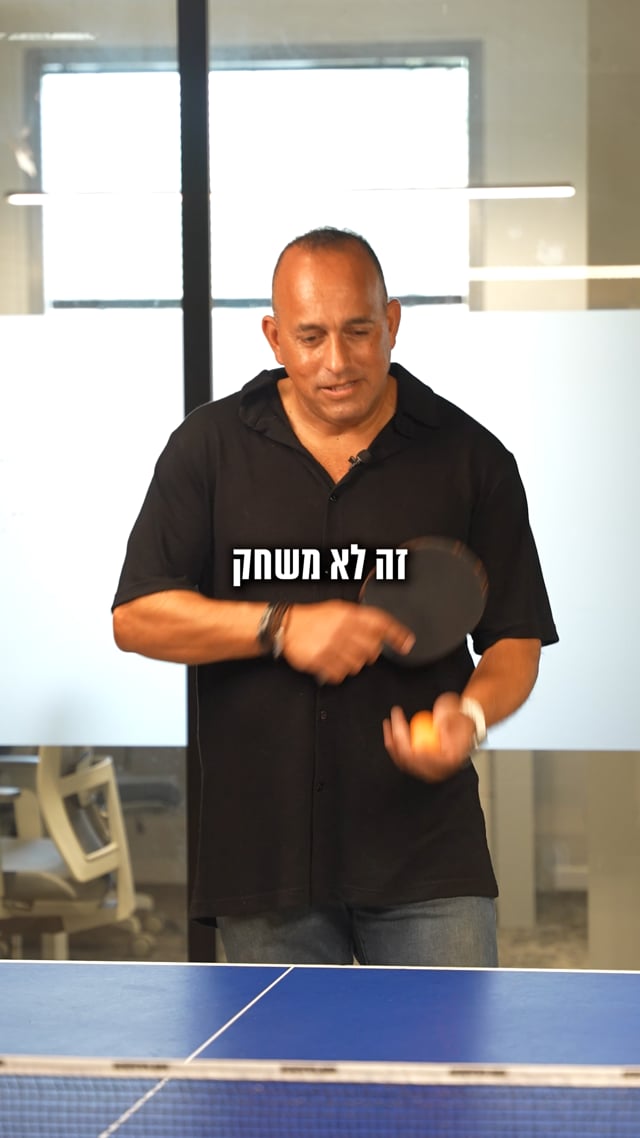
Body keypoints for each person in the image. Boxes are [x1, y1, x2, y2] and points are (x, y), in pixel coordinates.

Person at [112, 227, 557, 967]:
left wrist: (471, 716)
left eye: (358, 331)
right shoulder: (208, 448)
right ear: (274, 336)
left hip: (425, 853)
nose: (337, 362)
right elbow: (137, 618)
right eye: (311, 336)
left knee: (447, 1050)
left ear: (393, 322)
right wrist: (279, 626)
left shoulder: (472, 458)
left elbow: (516, 639)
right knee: (282, 1052)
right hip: (263, 857)